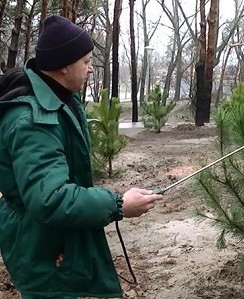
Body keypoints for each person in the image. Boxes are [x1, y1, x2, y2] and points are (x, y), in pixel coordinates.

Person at [0, 15, 163, 298]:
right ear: (63, 65)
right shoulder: (33, 120)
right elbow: (50, 199)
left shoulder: (58, 97)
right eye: (86, 61)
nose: (90, 69)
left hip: (52, 238)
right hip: (40, 246)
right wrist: (119, 205)